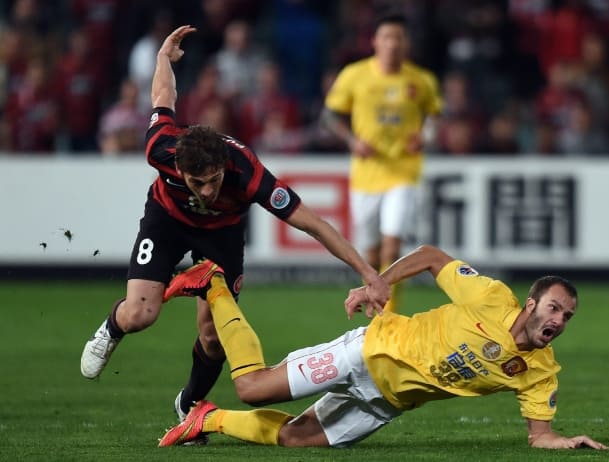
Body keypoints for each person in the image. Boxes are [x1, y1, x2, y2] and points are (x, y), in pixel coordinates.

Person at [80, 25, 390, 438]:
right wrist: (162, 60)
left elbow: (313, 224)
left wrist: (368, 272)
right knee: (140, 314)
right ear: (180, 170)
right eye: (198, 182)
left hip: (220, 238)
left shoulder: (247, 173)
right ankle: (111, 329)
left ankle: (188, 403)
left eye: (214, 180)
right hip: (167, 221)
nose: (208, 190)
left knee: (213, 338)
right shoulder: (161, 149)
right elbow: (162, 98)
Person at [158, 244, 609, 450]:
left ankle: (206, 420)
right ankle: (214, 283)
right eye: (553, 308)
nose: (558, 320)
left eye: (566, 316)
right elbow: (433, 256)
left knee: (296, 439)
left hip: (386, 403)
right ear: (531, 303)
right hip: (369, 350)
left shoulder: (540, 371)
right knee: (253, 388)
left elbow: (540, 436)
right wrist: (378, 281)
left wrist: (567, 441)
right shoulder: (491, 297)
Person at [321, 13, 443, 313]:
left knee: (393, 245)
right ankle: (375, 301)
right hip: (366, 174)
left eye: (398, 37)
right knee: (372, 253)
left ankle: (390, 312)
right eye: (387, 37)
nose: (392, 44)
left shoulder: (421, 80)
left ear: (406, 43)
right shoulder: (355, 74)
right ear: (375, 41)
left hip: (403, 170)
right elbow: (329, 115)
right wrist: (352, 141)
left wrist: (424, 137)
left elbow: (436, 116)